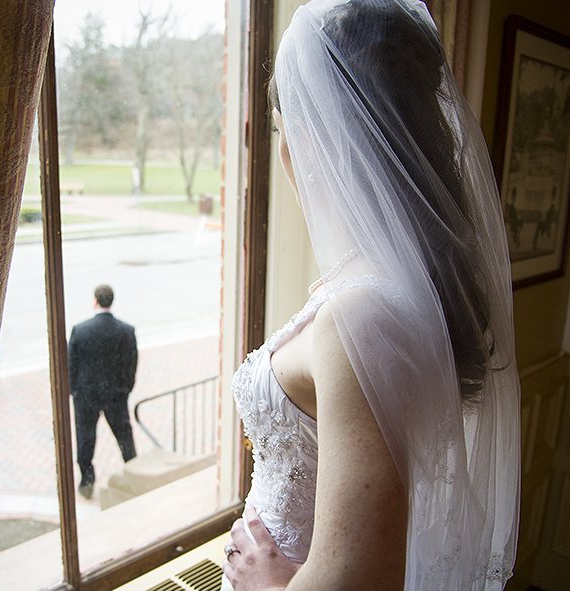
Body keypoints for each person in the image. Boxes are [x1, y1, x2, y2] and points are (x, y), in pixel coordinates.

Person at [222, 1, 520, 590]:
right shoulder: (416, 280)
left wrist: (266, 583)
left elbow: (357, 578)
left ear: (313, 139)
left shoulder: (359, 318)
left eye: (287, 128)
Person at [68, 284, 139, 499]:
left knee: (85, 438)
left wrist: (75, 392)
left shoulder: (80, 330)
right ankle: (135, 474)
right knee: (125, 438)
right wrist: (125, 389)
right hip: (115, 396)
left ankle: (87, 481)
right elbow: (131, 364)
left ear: (95, 301)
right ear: (111, 301)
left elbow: (71, 366)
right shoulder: (126, 331)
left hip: (86, 396)